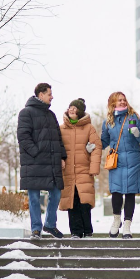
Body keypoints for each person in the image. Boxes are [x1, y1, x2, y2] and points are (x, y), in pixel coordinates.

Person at [17, 83, 67, 240]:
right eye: (49, 94)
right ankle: (36, 228)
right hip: (34, 162)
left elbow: (58, 138)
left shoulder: (51, 115)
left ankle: (50, 224)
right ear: (40, 95)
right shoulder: (26, 113)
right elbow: (23, 137)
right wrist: (35, 152)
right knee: (34, 196)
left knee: (56, 193)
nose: (52, 96)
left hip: (52, 162)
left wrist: (62, 157)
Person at [101, 92, 140, 239]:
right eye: (119, 100)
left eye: (124, 100)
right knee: (116, 192)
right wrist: (92, 145)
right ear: (113, 103)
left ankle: (127, 225)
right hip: (117, 161)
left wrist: (137, 133)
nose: (122, 102)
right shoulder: (108, 121)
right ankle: (116, 220)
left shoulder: (134, 117)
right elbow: (104, 141)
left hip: (134, 161)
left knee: (129, 193)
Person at [59, 98, 102, 239]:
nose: (71, 109)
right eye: (70, 107)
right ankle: (75, 232)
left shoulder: (89, 128)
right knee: (72, 201)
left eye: (75, 108)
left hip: (84, 169)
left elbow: (97, 147)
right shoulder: (61, 129)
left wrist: (94, 167)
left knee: (85, 201)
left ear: (80, 111)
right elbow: (57, 147)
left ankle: (88, 230)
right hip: (68, 171)